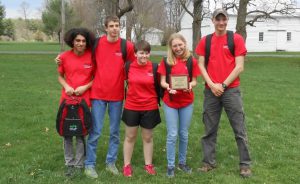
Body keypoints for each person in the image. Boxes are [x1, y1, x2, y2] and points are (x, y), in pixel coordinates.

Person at [195, 8, 252, 178]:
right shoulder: (205, 41)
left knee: (239, 129)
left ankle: (245, 165)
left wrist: (223, 85)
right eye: (217, 19)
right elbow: (200, 65)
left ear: (227, 20)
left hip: (231, 90)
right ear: (212, 20)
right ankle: (208, 162)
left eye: (224, 19)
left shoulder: (236, 39)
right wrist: (212, 84)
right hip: (211, 91)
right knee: (209, 129)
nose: (221, 23)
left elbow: (239, 66)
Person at [84, 15, 136, 179]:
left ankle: (110, 162)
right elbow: (83, 57)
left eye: (117, 25)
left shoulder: (126, 45)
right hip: (98, 93)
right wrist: (61, 60)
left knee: (114, 132)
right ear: (105, 28)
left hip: (117, 95)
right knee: (96, 131)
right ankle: (89, 164)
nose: (114, 28)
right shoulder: (97, 43)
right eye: (111, 26)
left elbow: (133, 66)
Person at [158, 33, 201, 178]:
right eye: (174, 46)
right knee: (172, 134)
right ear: (171, 47)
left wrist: (190, 85)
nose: (178, 48)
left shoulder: (191, 61)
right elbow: (162, 81)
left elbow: (194, 81)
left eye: (180, 45)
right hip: (170, 101)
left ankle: (182, 163)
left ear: (185, 44)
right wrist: (168, 87)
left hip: (186, 102)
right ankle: (170, 165)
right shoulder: (166, 61)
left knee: (183, 133)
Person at [56, 28, 95, 177]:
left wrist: (85, 87)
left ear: (87, 43)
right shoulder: (64, 57)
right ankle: (69, 163)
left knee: (80, 133)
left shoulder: (92, 57)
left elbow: (96, 78)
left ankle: (79, 164)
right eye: (78, 40)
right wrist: (66, 86)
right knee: (67, 133)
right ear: (72, 41)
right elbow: (60, 76)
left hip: (84, 102)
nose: (80, 43)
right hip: (66, 101)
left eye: (83, 41)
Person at [122, 40, 161, 177]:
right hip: (132, 106)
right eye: (141, 53)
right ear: (135, 54)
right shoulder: (128, 66)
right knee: (130, 136)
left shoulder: (155, 67)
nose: (144, 56)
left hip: (150, 107)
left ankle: (148, 165)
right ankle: (127, 165)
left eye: (146, 53)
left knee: (148, 137)